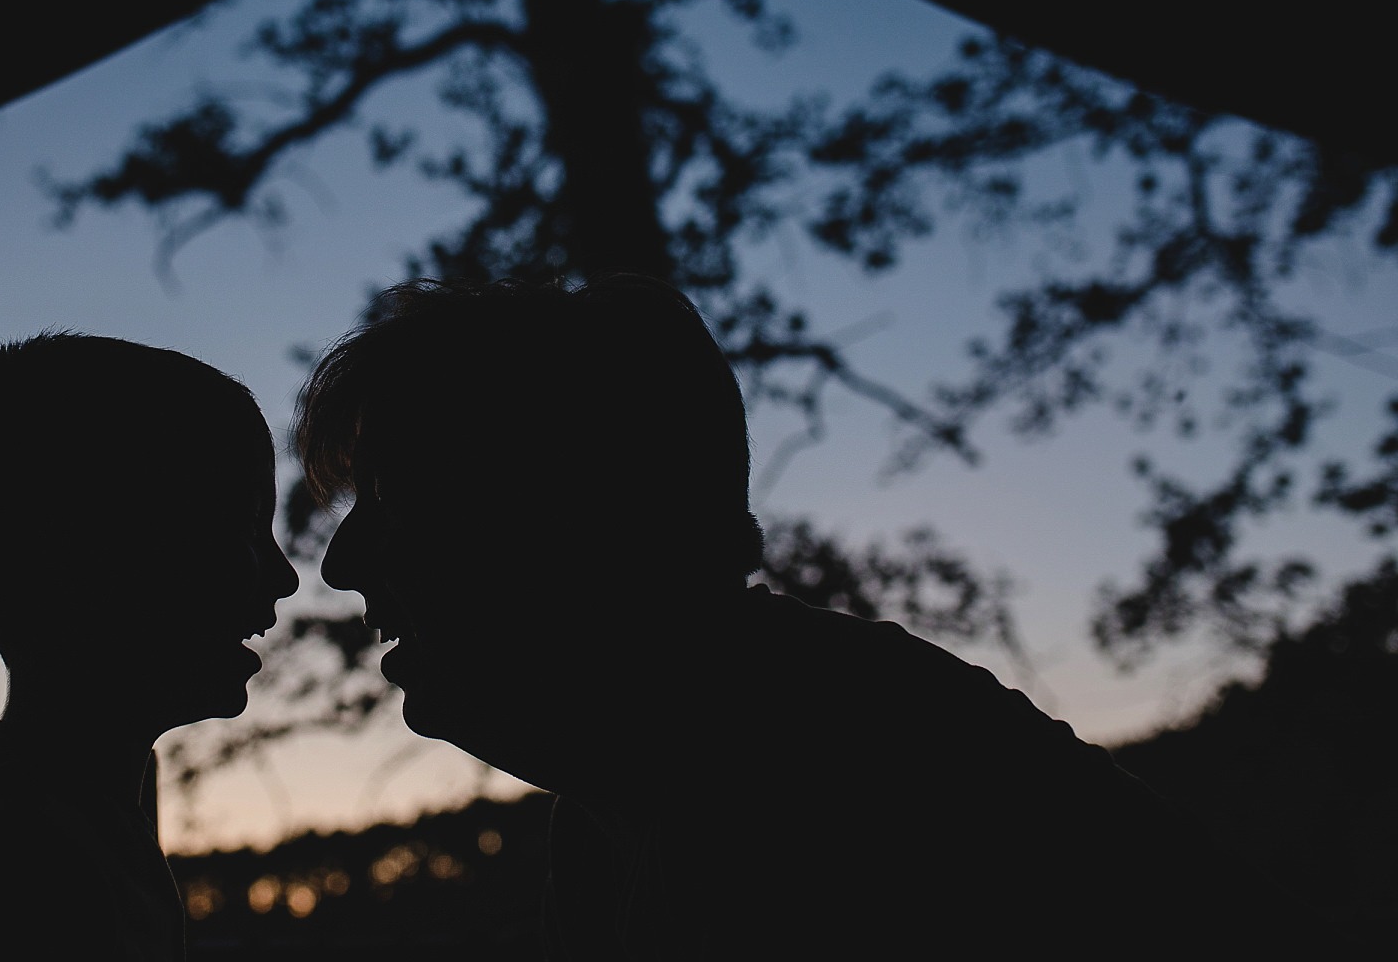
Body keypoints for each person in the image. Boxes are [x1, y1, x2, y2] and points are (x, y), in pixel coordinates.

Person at [299, 275, 1313, 958]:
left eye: (402, 499)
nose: (344, 564)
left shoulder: (825, 774)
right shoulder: (628, 806)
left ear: (577, 517)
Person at [0, 332, 297, 961]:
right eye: (243, 525)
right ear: (94, 558)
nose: (285, 577)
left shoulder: (84, 802)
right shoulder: (24, 862)